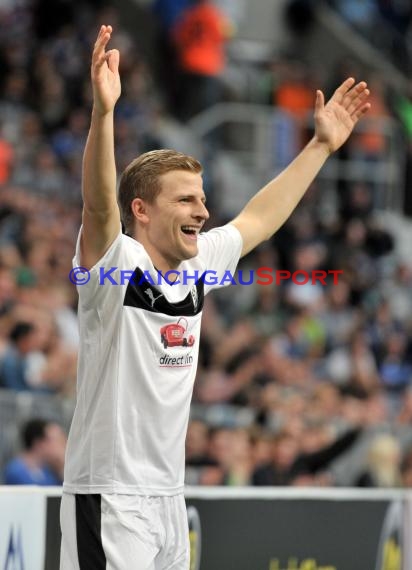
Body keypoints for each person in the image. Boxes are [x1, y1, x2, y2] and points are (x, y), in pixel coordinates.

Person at [59, 24, 370, 570]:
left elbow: (258, 219)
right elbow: (98, 205)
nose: (203, 212)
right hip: (110, 495)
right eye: (185, 200)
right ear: (143, 211)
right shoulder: (115, 267)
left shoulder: (200, 263)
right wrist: (104, 115)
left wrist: (320, 146)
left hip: (168, 497)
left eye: (202, 199)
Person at [3, 418, 66, 485]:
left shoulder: (51, 469)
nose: (61, 446)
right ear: (39, 443)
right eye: (56, 441)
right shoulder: (16, 470)